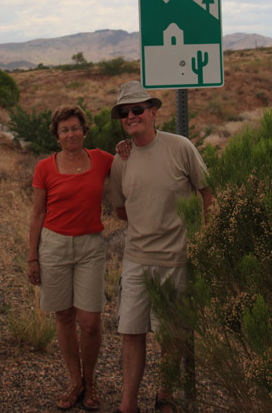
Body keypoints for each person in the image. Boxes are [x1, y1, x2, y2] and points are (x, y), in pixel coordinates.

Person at [109, 81, 213, 413]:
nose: (131, 116)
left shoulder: (180, 147)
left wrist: (207, 243)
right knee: (131, 332)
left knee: (170, 335)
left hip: (177, 259)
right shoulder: (120, 159)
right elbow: (122, 210)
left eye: (137, 109)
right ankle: (128, 404)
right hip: (136, 260)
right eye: (124, 112)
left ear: (153, 112)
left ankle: (165, 395)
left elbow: (208, 195)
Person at [27, 105, 116, 411]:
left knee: (91, 321)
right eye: (64, 129)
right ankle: (75, 381)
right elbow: (37, 213)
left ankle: (91, 380)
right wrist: (32, 258)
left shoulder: (102, 159)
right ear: (56, 134)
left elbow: (130, 167)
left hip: (91, 247)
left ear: (84, 130)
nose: (70, 134)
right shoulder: (45, 167)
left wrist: (127, 147)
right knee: (64, 316)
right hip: (54, 246)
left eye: (75, 127)